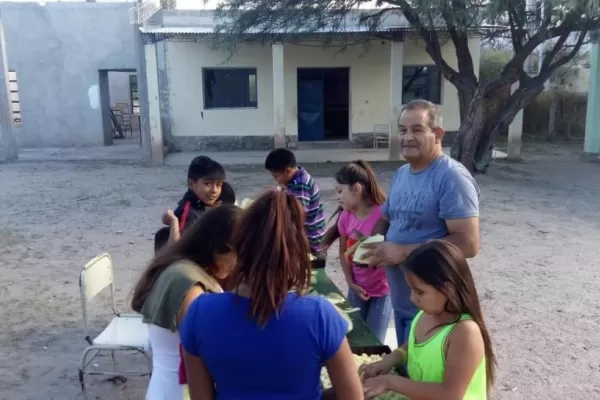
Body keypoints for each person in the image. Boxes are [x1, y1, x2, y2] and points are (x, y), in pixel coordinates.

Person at [179, 190, 363, 400]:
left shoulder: (200, 313)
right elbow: (352, 397)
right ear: (297, 256)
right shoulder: (320, 315)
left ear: (239, 248)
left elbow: (201, 397)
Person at [363, 99, 480, 347]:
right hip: (403, 302)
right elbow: (385, 217)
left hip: (435, 313)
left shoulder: (451, 177)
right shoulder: (402, 174)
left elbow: (468, 243)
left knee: (426, 378)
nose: (407, 137)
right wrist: (370, 247)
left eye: (417, 129)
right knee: (406, 373)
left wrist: (402, 251)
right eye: (402, 130)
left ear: (437, 134)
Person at [359, 240, 496, 400]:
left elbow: (450, 394)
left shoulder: (465, 333)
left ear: (448, 289)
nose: (412, 298)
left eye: (420, 292)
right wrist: (390, 359)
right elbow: (413, 348)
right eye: (411, 289)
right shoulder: (425, 315)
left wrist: (390, 382)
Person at [131, 205, 241, 400]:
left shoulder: (181, 268)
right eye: (240, 256)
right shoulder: (190, 286)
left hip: (167, 386)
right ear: (220, 249)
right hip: (181, 391)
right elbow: (211, 349)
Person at [321, 160, 391, 343]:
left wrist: (367, 243)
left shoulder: (383, 214)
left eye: (339, 191)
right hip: (357, 288)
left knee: (374, 342)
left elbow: (391, 251)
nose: (337, 197)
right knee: (353, 339)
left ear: (357, 189)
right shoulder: (346, 217)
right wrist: (350, 283)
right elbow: (344, 252)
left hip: (383, 292)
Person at [153, 155, 235, 252]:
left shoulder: (204, 204)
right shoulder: (189, 212)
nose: (214, 190)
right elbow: (177, 249)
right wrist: (174, 222)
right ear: (191, 184)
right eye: (207, 184)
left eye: (218, 185)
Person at [264, 148, 326, 260]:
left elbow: (297, 214)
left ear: (288, 171)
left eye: (276, 176)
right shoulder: (296, 178)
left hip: (310, 241)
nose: (276, 181)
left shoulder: (300, 184)